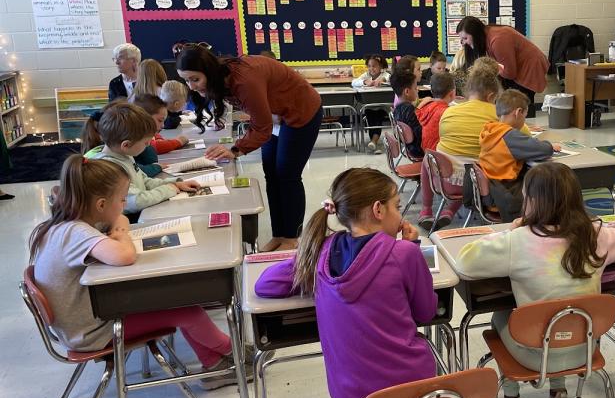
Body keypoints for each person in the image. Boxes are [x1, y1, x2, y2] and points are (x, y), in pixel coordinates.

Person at [254, 168, 436, 398]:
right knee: (422, 352)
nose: (400, 213)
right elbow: (425, 312)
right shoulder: (404, 254)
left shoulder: (320, 252)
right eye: (397, 205)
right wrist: (412, 247)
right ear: (378, 210)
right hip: (411, 387)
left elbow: (264, 285)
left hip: (349, 393)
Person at [29, 155, 249, 390]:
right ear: (101, 205)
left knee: (178, 303)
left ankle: (215, 364)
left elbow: (121, 218)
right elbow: (124, 256)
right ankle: (237, 354)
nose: (125, 204)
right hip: (93, 332)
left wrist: (117, 226)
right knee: (189, 312)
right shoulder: (75, 232)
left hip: (83, 323)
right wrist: (122, 236)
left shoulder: (66, 222)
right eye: (122, 199)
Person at [457, 162, 615, 398]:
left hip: (533, 354)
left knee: (505, 313)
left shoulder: (518, 241)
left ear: (533, 202)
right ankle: (559, 395)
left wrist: (513, 229)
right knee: (562, 312)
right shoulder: (596, 235)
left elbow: (465, 261)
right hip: (585, 347)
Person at [176, 46, 323, 252]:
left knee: (287, 175)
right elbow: (262, 121)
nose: (191, 86)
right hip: (277, 116)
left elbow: (262, 129)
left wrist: (235, 150)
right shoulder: (222, 77)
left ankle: (291, 238)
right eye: (186, 80)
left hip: (301, 112)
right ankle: (278, 234)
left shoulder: (244, 80)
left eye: (194, 79)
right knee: (271, 174)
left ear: (209, 71)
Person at [417, 57, 502, 230]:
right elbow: (521, 136)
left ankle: (426, 210)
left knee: (431, 157)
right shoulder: (498, 115)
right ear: (492, 96)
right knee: (476, 163)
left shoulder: (449, 112)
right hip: (475, 183)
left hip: (441, 177)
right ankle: (449, 210)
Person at [85, 102, 199, 216]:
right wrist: (169, 189)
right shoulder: (110, 168)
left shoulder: (125, 156)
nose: (149, 144)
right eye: (146, 142)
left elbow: (144, 181)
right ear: (126, 145)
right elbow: (136, 201)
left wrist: (175, 184)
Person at [478, 89, 558, 222]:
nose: (524, 121)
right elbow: (543, 150)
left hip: (492, 189)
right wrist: (550, 146)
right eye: (525, 116)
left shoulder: (490, 129)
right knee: (547, 191)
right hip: (507, 191)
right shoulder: (510, 135)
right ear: (518, 112)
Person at [457, 16, 548, 116]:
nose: (463, 43)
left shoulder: (498, 39)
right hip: (519, 67)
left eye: (465, 38)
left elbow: (510, 73)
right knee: (508, 103)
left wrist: (494, 71)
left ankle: (526, 127)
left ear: (476, 34)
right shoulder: (487, 35)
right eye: (461, 39)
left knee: (519, 103)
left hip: (531, 66)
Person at [351, 54, 391, 153]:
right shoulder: (366, 75)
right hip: (369, 105)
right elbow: (353, 82)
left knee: (377, 121)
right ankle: (373, 142)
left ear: (381, 67)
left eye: (374, 66)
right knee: (371, 121)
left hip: (382, 106)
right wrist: (364, 82)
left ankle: (374, 142)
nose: (371, 68)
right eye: (369, 66)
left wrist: (382, 80)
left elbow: (388, 77)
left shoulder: (385, 74)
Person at [416, 71, 455, 153]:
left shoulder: (426, 106)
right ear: (451, 94)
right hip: (439, 154)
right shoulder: (447, 113)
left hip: (427, 152)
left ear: (432, 91)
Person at [390, 70, 423, 160]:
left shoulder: (397, 108)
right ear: (407, 91)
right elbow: (421, 133)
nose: (417, 90)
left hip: (409, 147)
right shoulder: (410, 110)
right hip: (419, 149)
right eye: (415, 88)